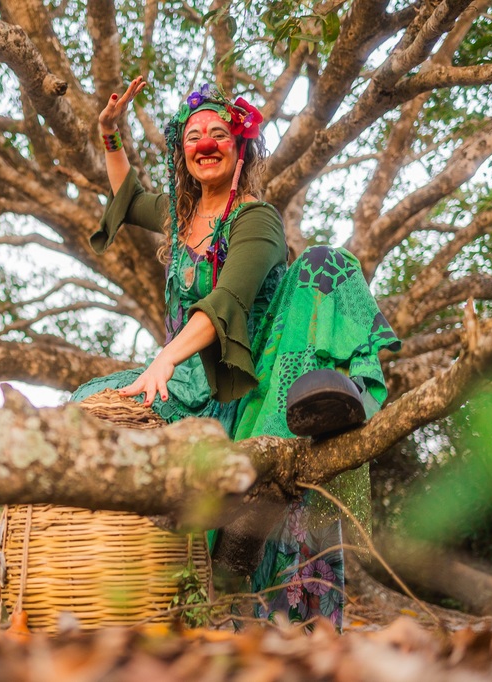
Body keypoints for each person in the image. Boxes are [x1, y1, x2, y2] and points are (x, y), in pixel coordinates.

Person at [71, 77, 401, 629]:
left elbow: (227, 302)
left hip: (252, 380)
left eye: (219, 134)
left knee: (326, 261)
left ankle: (262, 494)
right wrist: (109, 133)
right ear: (182, 154)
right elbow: (126, 197)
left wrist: (166, 358)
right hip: (191, 386)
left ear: (240, 148)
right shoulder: (179, 219)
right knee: (89, 398)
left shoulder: (257, 220)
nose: (205, 143)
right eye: (193, 136)